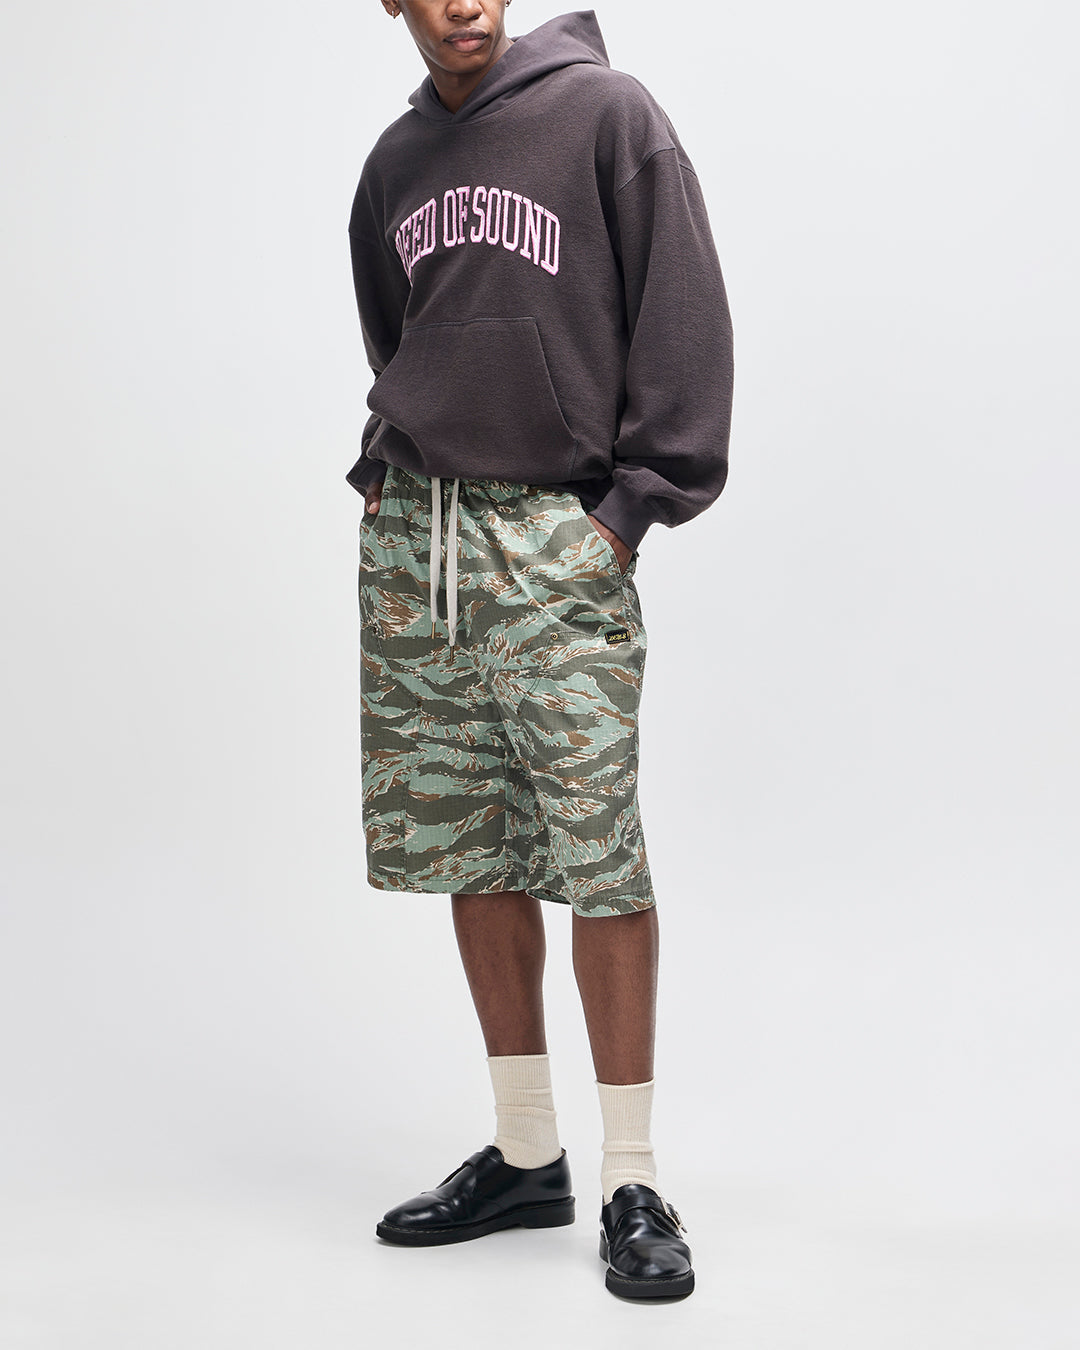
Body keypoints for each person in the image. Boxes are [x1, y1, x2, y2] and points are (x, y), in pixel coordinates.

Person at [345, 1, 733, 1300]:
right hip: (423, 545)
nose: (466, 3)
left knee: (598, 850)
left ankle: (632, 1175)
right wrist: (389, 485)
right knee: (473, 841)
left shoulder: (606, 117)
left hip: (558, 536)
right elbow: (398, 338)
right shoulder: (395, 165)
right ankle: (525, 1155)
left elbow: (684, 318)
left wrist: (626, 513)